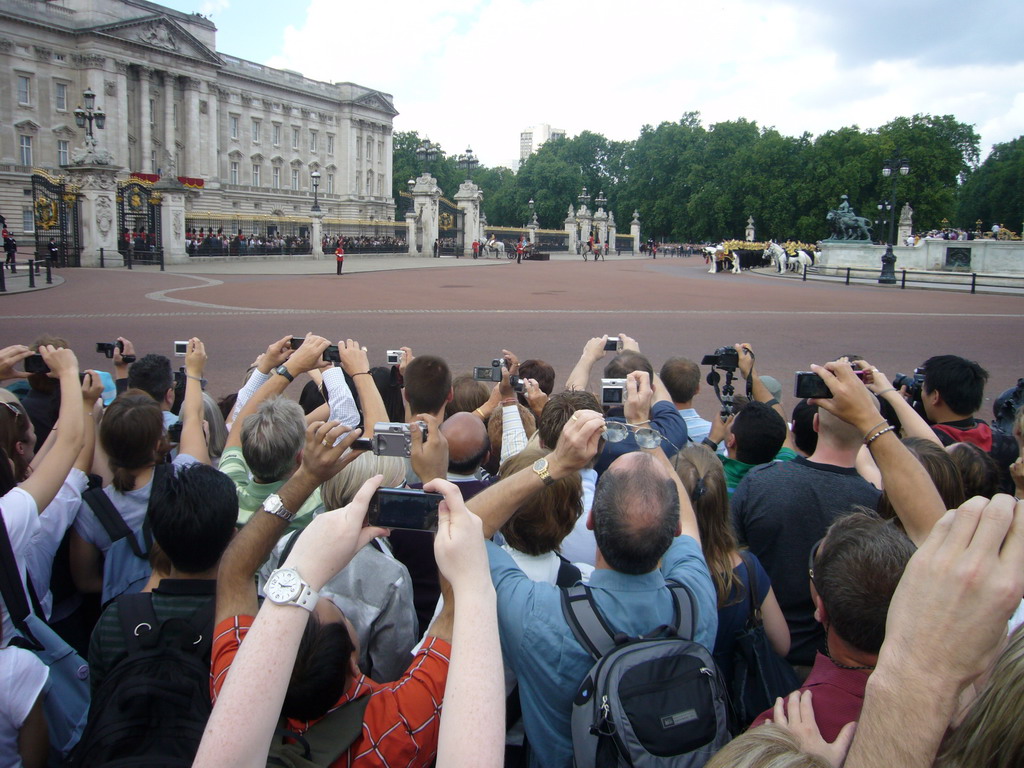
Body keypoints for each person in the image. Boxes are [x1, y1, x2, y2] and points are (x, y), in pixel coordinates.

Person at [464, 378, 717, 767]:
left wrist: (556, 463)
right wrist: (646, 432)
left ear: (592, 521)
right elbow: (690, 527)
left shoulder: (540, 614)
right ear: (674, 534)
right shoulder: (695, 600)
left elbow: (468, 529)